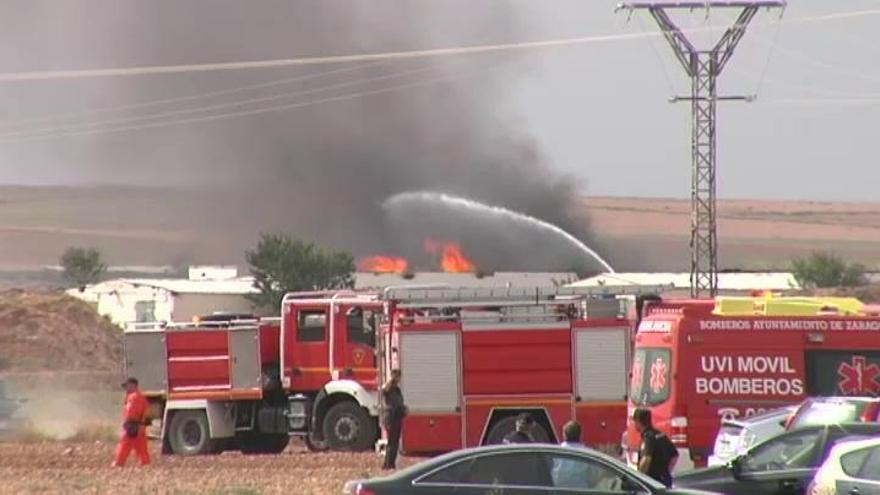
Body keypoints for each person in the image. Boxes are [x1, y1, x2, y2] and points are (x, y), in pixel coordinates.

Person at [633, 408, 678, 487]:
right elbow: (675, 455)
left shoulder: (648, 437)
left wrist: (639, 478)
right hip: (665, 481)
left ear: (638, 421)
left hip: (653, 483)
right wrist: (666, 472)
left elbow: (646, 459)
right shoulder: (661, 434)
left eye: (634, 421)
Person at [113, 377, 150, 467]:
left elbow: (131, 412)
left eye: (127, 386)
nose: (126, 388)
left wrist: (128, 422)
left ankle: (119, 462)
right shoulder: (140, 396)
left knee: (125, 444)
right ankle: (145, 462)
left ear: (133, 385)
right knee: (141, 445)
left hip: (133, 425)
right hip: (140, 425)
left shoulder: (134, 397)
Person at [381, 369, 407, 470]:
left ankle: (391, 462)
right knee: (391, 442)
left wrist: (404, 409)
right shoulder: (389, 388)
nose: (399, 379)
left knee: (395, 441)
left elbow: (399, 403)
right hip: (391, 418)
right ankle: (387, 464)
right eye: (397, 376)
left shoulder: (397, 389)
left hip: (397, 417)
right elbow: (384, 392)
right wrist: (391, 380)